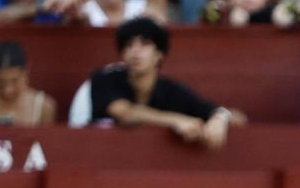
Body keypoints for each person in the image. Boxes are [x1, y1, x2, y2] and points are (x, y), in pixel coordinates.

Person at [89, 16, 242, 149]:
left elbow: (238, 118)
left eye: (145, 44)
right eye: (129, 45)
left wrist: (220, 118)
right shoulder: (104, 78)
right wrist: (177, 120)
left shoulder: (172, 90)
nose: (135, 52)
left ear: (159, 54)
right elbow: (124, 112)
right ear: (122, 54)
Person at [0, 39, 57, 125]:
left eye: (15, 81)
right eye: (0, 82)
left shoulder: (44, 107)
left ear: (25, 73)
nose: (8, 90)